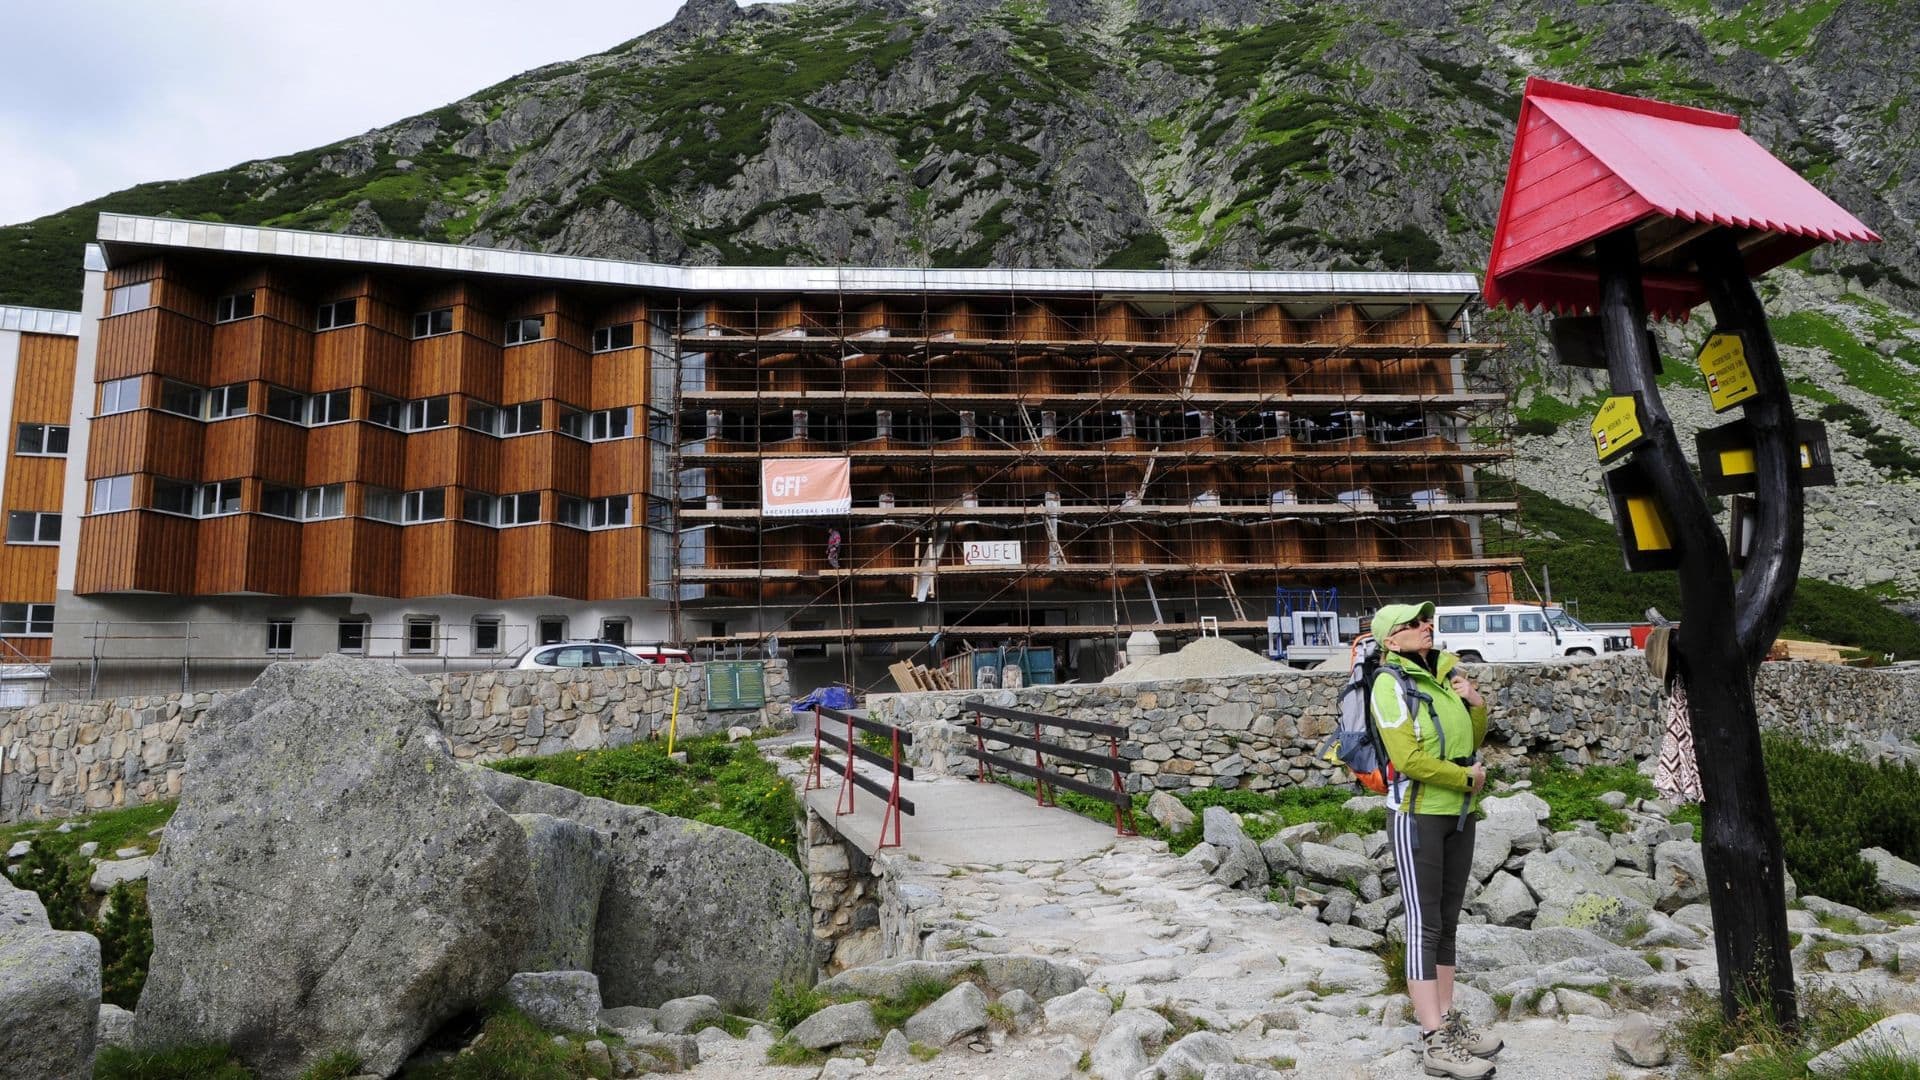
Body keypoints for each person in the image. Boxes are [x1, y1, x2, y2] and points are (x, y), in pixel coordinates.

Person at [1369, 601, 1502, 1079]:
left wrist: (1476, 703)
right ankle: (1432, 1038)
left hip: (1458, 815)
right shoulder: (1389, 684)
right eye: (1412, 624)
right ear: (1391, 640)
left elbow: (1470, 741)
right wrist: (1467, 781)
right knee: (1424, 924)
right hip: (1417, 815)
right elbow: (1406, 758)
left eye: (1426, 621)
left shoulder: (1445, 676)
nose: (1425, 626)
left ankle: (1446, 1020)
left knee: (1447, 920)